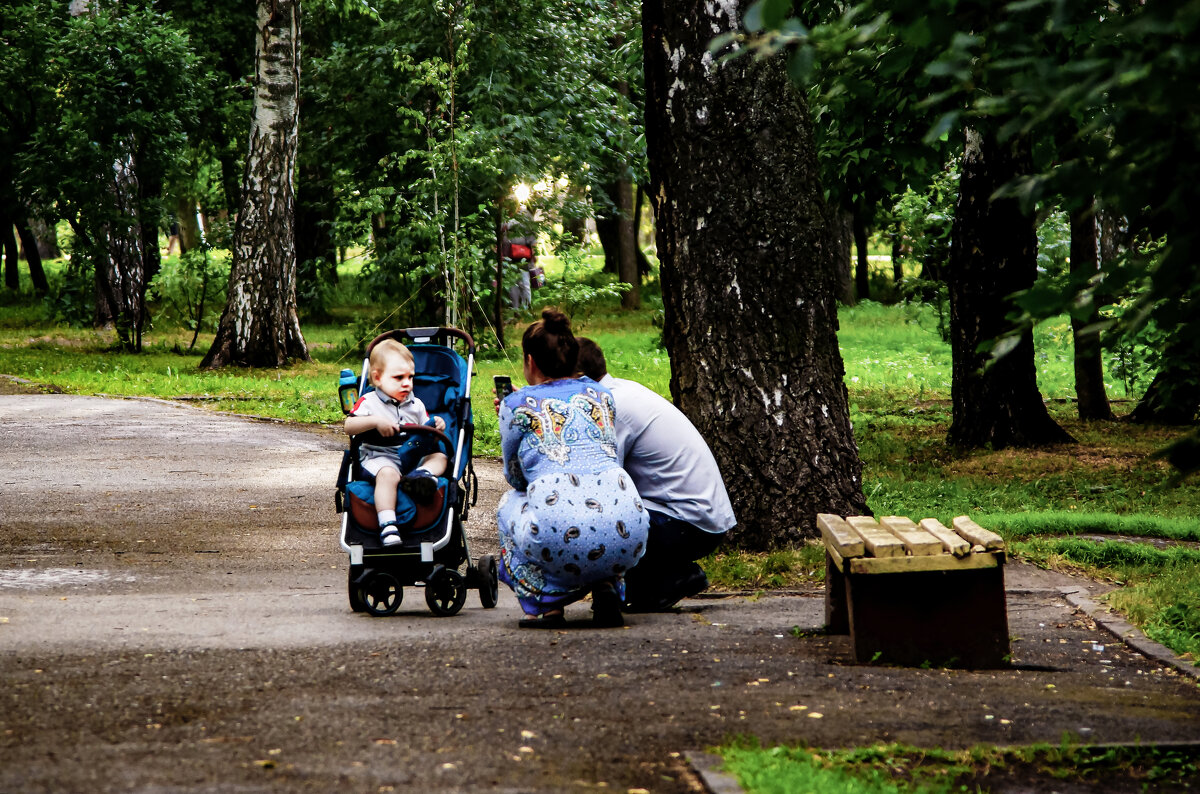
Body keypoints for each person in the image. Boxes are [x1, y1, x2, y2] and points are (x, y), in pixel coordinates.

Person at [495, 309, 649, 628]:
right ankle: (606, 586)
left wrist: (510, 414)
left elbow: (515, 477)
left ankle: (546, 605)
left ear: (530, 362)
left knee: (508, 506)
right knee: (600, 506)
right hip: (629, 534)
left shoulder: (516, 405)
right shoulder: (603, 395)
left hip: (559, 537)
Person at [576, 338, 736, 611]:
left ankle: (672, 574)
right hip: (697, 518)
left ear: (577, 378)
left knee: (593, 516)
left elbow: (597, 481)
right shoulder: (621, 391)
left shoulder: (612, 409)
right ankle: (666, 577)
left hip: (688, 525)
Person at [345, 339, 449, 547]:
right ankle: (388, 524)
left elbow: (426, 431)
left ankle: (423, 475)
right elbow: (349, 425)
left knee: (440, 456)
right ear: (377, 378)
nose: (407, 383)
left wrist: (437, 426)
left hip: (410, 457)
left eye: (411, 377)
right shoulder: (369, 401)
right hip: (378, 457)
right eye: (399, 377)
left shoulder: (416, 404)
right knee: (388, 474)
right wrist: (375, 421)